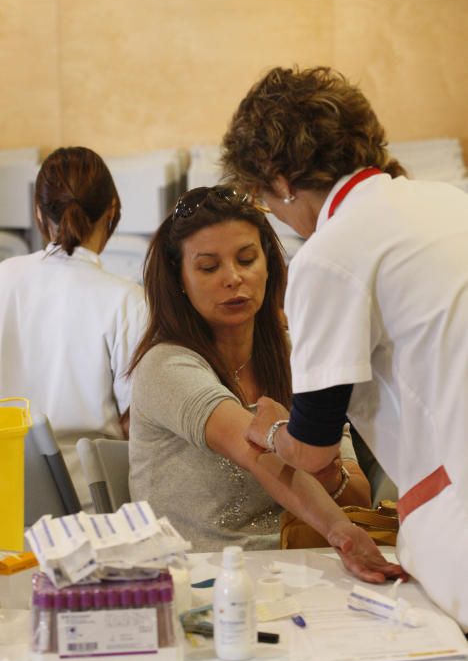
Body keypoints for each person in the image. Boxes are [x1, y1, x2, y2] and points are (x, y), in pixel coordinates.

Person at [221, 66, 468, 628]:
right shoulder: (447, 204)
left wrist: (272, 429)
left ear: (280, 179)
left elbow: (312, 453)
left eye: (266, 201)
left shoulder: (332, 254)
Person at [128, 184, 404, 583]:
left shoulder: (297, 357)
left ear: (269, 263)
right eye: (209, 267)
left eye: (246, 259)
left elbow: (357, 494)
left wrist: (324, 470)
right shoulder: (165, 366)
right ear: (180, 280)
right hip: (200, 578)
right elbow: (255, 451)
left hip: (297, 567)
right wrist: (340, 530)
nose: (234, 278)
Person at [0, 146, 147, 509]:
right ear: (113, 210)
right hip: (90, 502)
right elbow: (139, 424)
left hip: (6, 494)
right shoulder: (127, 300)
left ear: (37, 211)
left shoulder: (4, 278)